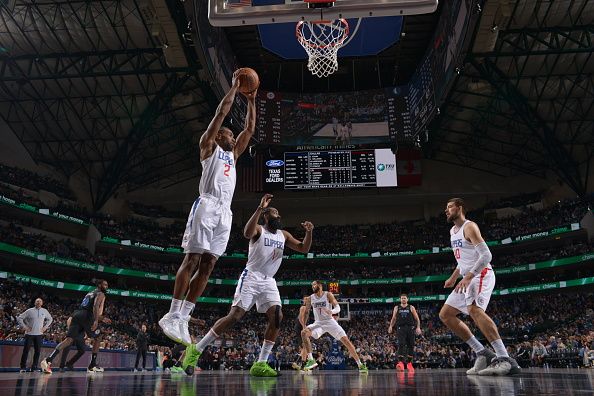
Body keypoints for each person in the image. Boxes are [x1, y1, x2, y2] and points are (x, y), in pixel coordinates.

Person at [159, 70, 257, 346]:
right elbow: (221, 113)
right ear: (218, 135)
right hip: (207, 205)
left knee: (209, 264)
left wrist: (252, 100)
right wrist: (235, 89)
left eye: (230, 133)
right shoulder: (208, 147)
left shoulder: (233, 155)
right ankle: (172, 313)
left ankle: (184, 318)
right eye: (227, 132)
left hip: (225, 212)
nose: (231, 134)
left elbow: (249, 129)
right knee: (191, 259)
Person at [181, 193, 314, 377]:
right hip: (251, 277)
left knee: (277, 316)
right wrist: (260, 208)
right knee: (235, 316)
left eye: (276, 214)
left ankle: (260, 363)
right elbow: (246, 233)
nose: (276, 216)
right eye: (272, 214)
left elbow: (303, 248)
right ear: (265, 218)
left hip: (269, 281)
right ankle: (196, 349)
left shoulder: (284, 235)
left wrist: (309, 233)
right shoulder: (259, 229)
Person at [439, 198, 521, 375]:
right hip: (466, 278)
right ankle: (482, 353)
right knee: (445, 315)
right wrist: (454, 277)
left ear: (460, 208)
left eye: (450, 207)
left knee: (474, 309)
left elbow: (486, 255)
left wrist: (468, 277)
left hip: (480, 273)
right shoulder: (453, 231)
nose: (446, 210)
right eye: (446, 208)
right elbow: (462, 260)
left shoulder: (470, 227)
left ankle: (506, 359)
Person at [41, 279, 110, 374]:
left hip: (77, 314)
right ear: (99, 285)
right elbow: (95, 306)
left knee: (68, 340)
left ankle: (48, 360)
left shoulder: (90, 293)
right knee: (98, 337)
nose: (106, 286)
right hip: (87, 316)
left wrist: (101, 318)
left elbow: (87, 306)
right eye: (104, 285)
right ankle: (92, 365)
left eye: (107, 285)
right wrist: (96, 321)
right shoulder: (101, 294)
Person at [301, 281, 368, 373]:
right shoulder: (310, 298)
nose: (313, 286)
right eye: (312, 285)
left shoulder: (328, 294)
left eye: (314, 284)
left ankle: (360, 365)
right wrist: (304, 325)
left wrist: (331, 312)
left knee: (346, 341)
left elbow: (338, 308)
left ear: (320, 285)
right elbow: (307, 312)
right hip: (318, 323)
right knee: (303, 333)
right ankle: (311, 360)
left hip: (330, 322)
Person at [17, 298, 53, 372]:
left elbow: (50, 319)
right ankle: (23, 367)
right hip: (29, 334)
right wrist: (25, 327)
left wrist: (45, 327)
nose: (38, 302)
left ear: (42, 303)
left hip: (39, 334)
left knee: (37, 351)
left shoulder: (44, 311)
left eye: (40, 301)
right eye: (37, 301)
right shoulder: (29, 311)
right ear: (34, 303)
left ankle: (34, 367)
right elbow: (19, 318)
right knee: (26, 351)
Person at [388, 293, 422, 372]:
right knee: (401, 344)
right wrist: (390, 326)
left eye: (404, 298)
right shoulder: (396, 307)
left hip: (410, 328)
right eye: (402, 298)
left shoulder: (411, 307)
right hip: (401, 328)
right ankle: (401, 363)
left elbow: (417, 318)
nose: (403, 299)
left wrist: (418, 327)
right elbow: (394, 318)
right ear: (400, 299)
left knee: (411, 345)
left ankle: (409, 363)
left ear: (407, 299)